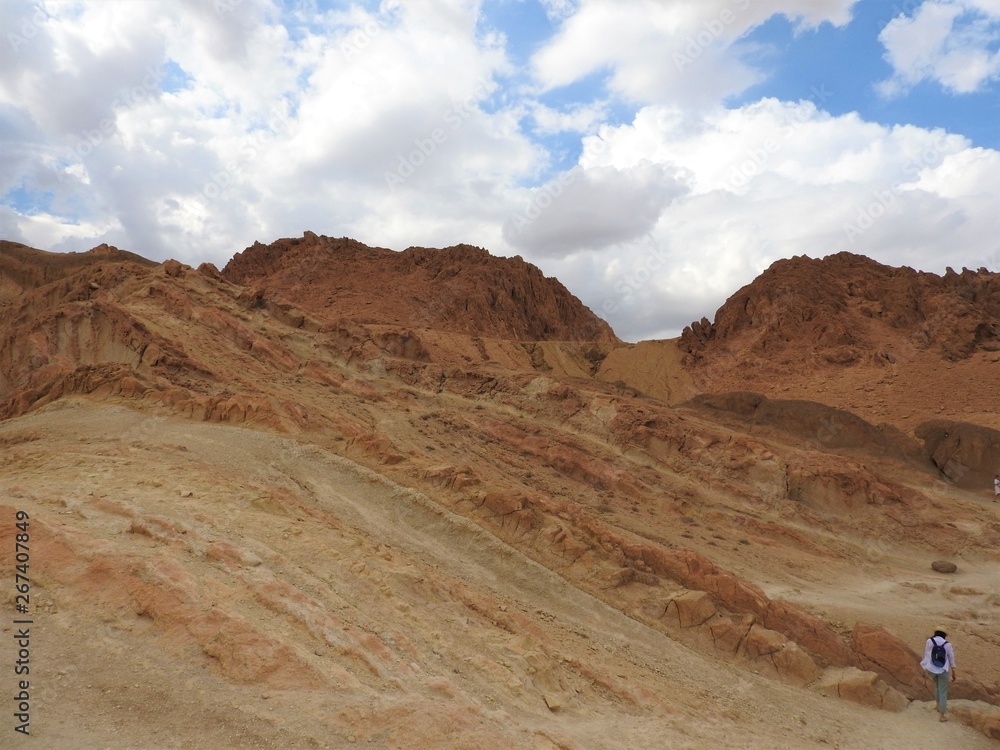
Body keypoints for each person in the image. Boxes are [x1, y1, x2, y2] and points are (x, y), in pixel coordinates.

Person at [920, 626, 957, 721]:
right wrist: (953, 671)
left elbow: (926, 654)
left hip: (931, 669)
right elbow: (951, 658)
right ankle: (942, 715)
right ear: (944, 635)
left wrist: (925, 667)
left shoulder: (929, 641)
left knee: (937, 686)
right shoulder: (947, 644)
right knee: (943, 691)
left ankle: (937, 705)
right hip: (943, 670)